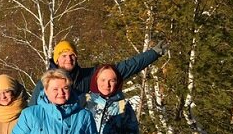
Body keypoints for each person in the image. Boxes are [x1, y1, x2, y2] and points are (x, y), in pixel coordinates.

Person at [28, 39, 164, 106]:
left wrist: (153, 54)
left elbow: (123, 68)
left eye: (72, 55)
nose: (68, 59)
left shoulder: (88, 76)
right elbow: (31, 111)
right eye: (64, 56)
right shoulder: (45, 83)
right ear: (57, 59)